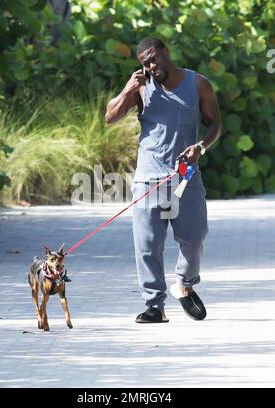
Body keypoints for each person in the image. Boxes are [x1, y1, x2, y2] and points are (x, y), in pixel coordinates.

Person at [105, 37, 221, 323]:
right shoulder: (142, 88)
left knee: (194, 239)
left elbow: (215, 124)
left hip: (185, 178)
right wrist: (129, 88)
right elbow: (111, 116)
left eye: (154, 58)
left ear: (167, 52)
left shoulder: (198, 84)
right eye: (145, 63)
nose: (151, 66)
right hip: (148, 181)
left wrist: (200, 147)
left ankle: (184, 284)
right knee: (147, 247)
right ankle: (155, 305)